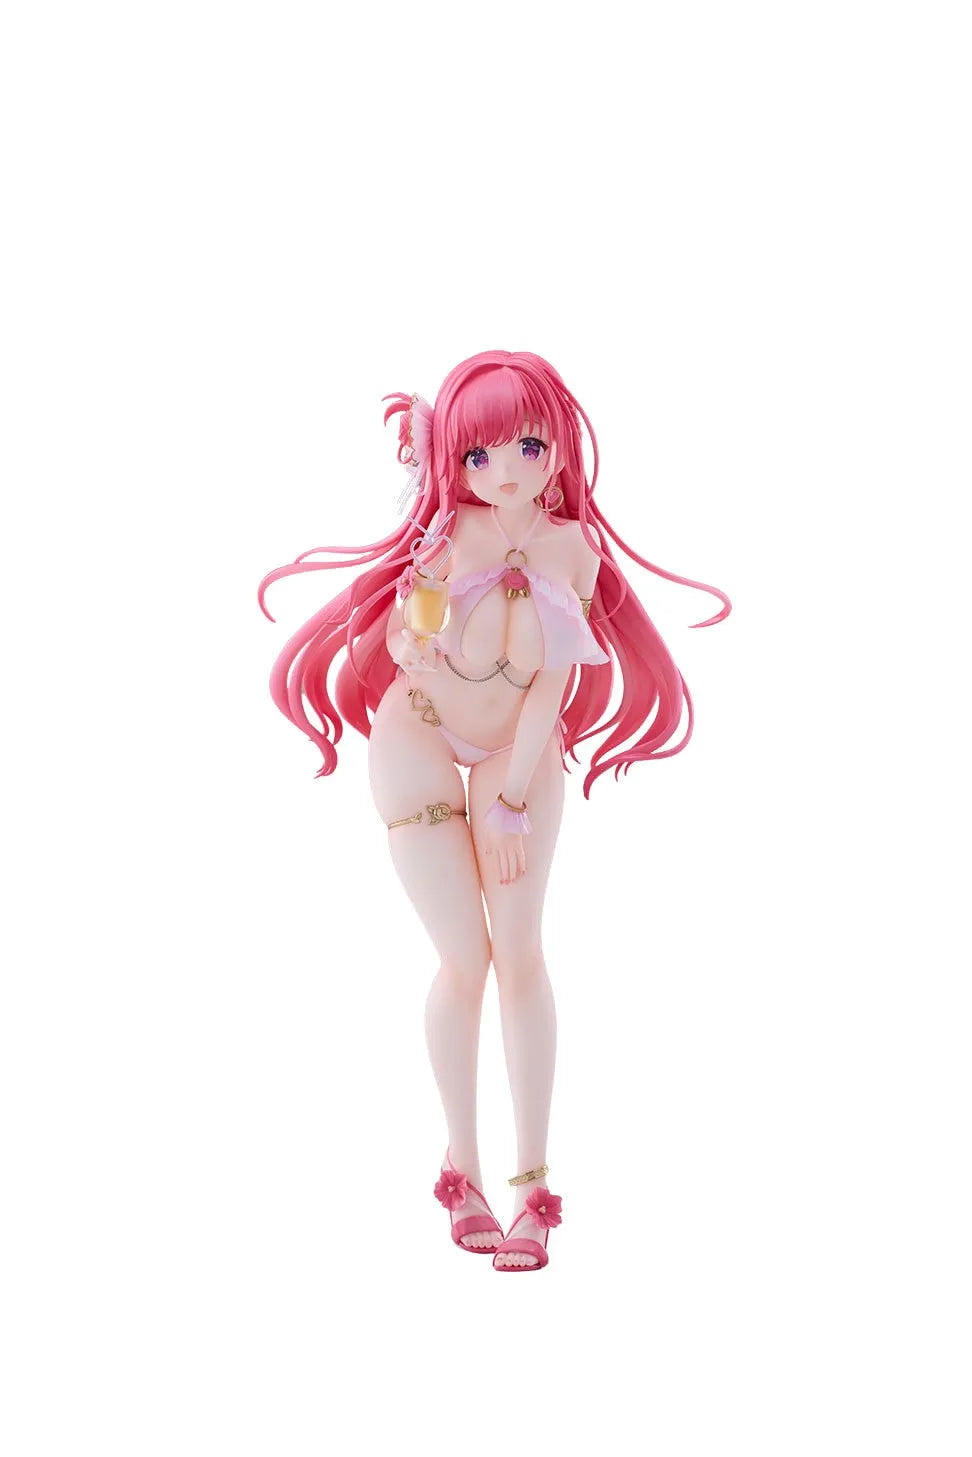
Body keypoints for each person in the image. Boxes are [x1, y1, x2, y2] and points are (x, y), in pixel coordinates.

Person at [258, 349, 730, 1270]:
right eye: (478, 455)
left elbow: (552, 681)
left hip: (520, 752)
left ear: (559, 444)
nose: (504, 472)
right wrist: (412, 633)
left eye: (526, 446)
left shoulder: (574, 551)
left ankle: (532, 1189)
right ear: (453, 461)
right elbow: (414, 631)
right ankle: (461, 1167)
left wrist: (511, 796)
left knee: (520, 953)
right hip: (419, 737)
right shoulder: (450, 534)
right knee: (463, 957)